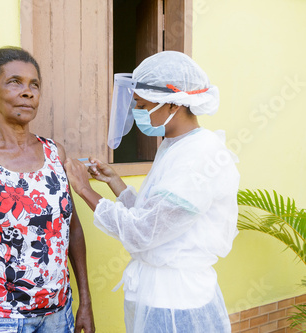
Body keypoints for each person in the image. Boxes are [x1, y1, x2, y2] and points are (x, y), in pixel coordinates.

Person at [64, 51, 239, 333]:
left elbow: (143, 231)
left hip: (177, 301)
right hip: (156, 292)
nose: (138, 113)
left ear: (173, 104)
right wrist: (115, 182)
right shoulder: (174, 145)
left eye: (143, 105)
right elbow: (156, 212)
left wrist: (84, 190)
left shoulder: (201, 156)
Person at [0, 46, 95, 333]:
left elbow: (72, 230)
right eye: (15, 82)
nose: (28, 92)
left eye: (34, 85)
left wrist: (85, 301)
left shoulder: (54, 153)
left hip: (57, 313)